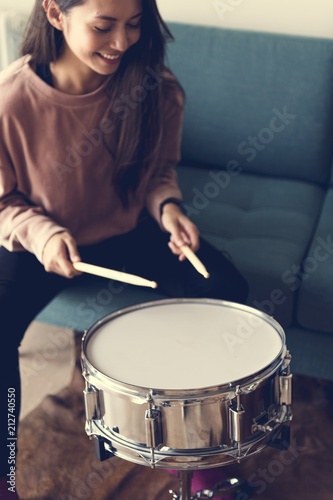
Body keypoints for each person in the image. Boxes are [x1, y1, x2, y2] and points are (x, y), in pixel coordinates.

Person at [0, 0, 249, 497]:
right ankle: (4, 475)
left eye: (134, 25)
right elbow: (4, 201)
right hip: (43, 243)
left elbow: (157, 175)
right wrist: (43, 235)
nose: (122, 43)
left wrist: (169, 210)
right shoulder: (10, 102)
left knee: (225, 291)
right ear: (54, 14)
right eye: (103, 27)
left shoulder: (155, 87)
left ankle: (205, 464)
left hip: (131, 231)